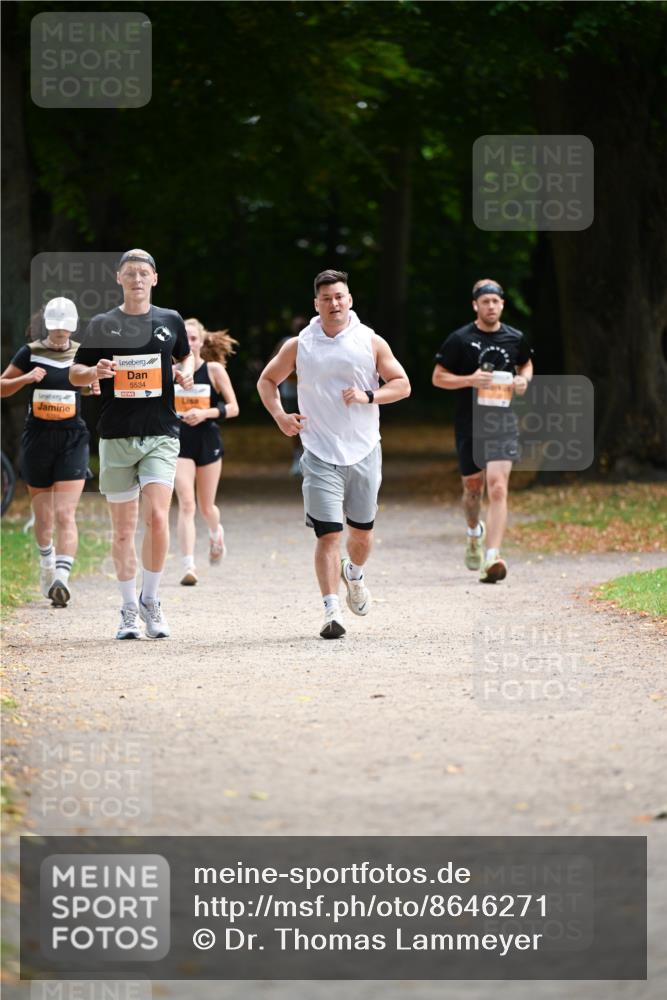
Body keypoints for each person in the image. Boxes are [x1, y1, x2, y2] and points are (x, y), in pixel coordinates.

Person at [257, 269, 411, 639]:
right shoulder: (300, 344)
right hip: (319, 451)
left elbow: (402, 385)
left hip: (363, 450)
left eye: (339, 296)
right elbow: (267, 380)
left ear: (350, 299)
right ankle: (331, 611)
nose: (334, 303)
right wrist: (280, 415)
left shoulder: (370, 342)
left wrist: (368, 396)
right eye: (326, 298)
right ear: (316, 304)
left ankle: (354, 575)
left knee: (361, 534)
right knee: (328, 535)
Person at [70, 249, 194, 639]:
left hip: (160, 433)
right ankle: (127, 609)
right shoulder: (103, 323)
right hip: (116, 434)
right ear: (118, 279)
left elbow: (187, 358)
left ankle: (151, 600)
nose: (137, 279)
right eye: (130, 273)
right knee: (123, 531)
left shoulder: (169, 319)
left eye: (144, 273)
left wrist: (184, 373)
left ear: (154, 279)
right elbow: (75, 373)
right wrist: (95, 370)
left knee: (157, 518)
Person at [432, 278, 534, 583]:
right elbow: (438, 377)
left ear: (502, 304)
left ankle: (493, 556)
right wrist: (470, 380)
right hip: (469, 425)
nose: (491, 306)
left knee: (498, 486)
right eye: (485, 301)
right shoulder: (460, 339)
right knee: (473, 490)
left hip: (502, 423)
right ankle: (474, 532)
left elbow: (527, 364)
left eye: (496, 301)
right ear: (475, 305)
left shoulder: (515, 338)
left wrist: (523, 381)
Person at [0, 298, 98, 607]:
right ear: (47, 327)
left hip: (72, 438)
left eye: (65, 330)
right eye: (55, 330)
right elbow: (2, 386)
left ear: (72, 327)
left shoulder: (81, 353)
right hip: (38, 438)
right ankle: (46, 564)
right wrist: (26, 379)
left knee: (64, 513)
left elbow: (85, 384)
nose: (60, 336)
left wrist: (91, 386)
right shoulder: (29, 352)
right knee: (43, 517)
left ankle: (62, 579)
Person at [175, 318, 239, 586]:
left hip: (207, 440)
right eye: (184, 339)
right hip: (178, 443)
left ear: (201, 342)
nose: (188, 343)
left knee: (206, 507)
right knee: (186, 504)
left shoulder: (213, 371)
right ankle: (189, 565)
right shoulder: (171, 372)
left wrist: (205, 413)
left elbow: (234, 408)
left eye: (192, 338)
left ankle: (215, 531)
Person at [270, 315, 308, 476]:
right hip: (291, 391)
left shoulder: (313, 341)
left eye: (301, 324)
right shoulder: (286, 343)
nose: (298, 327)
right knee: (294, 425)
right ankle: (297, 458)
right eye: (296, 324)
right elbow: (272, 364)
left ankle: (310, 457)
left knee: (310, 425)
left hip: (308, 393)